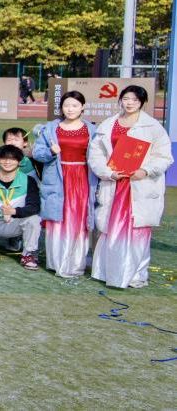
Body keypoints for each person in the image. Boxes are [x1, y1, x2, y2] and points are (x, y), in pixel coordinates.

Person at [87, 85, 173, 288]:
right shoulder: (108, 125)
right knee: (110, 227)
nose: (130, 103)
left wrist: (146, 171)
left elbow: (164, 157)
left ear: (142, 102)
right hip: (115, 182)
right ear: (120, 100)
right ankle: (106, 271)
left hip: (139, 184)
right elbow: (95, 154)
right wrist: (107, 172)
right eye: (126, 99)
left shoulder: (153, 127)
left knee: (137, 230)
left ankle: (134, 275)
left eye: (135, 99)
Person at [33, 91, 98, 278]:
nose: (70, 109)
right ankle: (57, 262)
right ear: (61, 108)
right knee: (58, 219)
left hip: (82, 179)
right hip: (57, 178)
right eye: (67, 105)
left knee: (78, 220)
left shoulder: (92, 130)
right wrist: (51, 152)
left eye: (75, 105)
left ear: (82, 107)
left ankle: (75, 264)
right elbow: (37, 153)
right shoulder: (50, 128)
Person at [0, 145, 43, 270]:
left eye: (12, 159)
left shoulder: (28, 181)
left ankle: (28, 254)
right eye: (3, 158)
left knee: (34, 220)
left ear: (19, 162)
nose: (7, 162)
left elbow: (34, 207)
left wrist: (15, 211)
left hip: (15, 222)